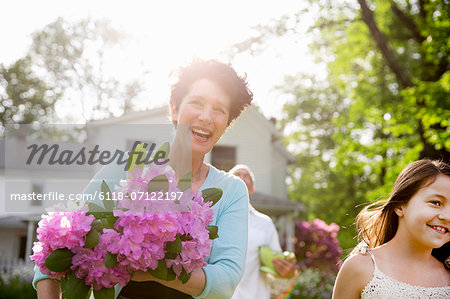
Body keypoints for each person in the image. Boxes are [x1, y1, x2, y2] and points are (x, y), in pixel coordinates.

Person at [33, 59, 253, 299]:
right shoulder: (124, 168)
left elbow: (225, 282)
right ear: (174, 108)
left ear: (227, 123)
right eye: (196, 103)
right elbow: (56, 244)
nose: (206, 117)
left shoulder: (231, 191)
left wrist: (149, 269)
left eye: (219, 110)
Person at [332, 159, 450, 299]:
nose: (448, 217)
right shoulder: (360, 267)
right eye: (436, 203)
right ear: (400, 206)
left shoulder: (447, 274)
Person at [229, 164, 296, 299]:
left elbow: (276, 266)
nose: (241, 176)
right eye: (237, 174)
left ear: (252, 189)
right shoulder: (212, 219)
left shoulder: (265, 223)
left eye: (246, 175)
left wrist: (287, 272)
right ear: (227, 186)